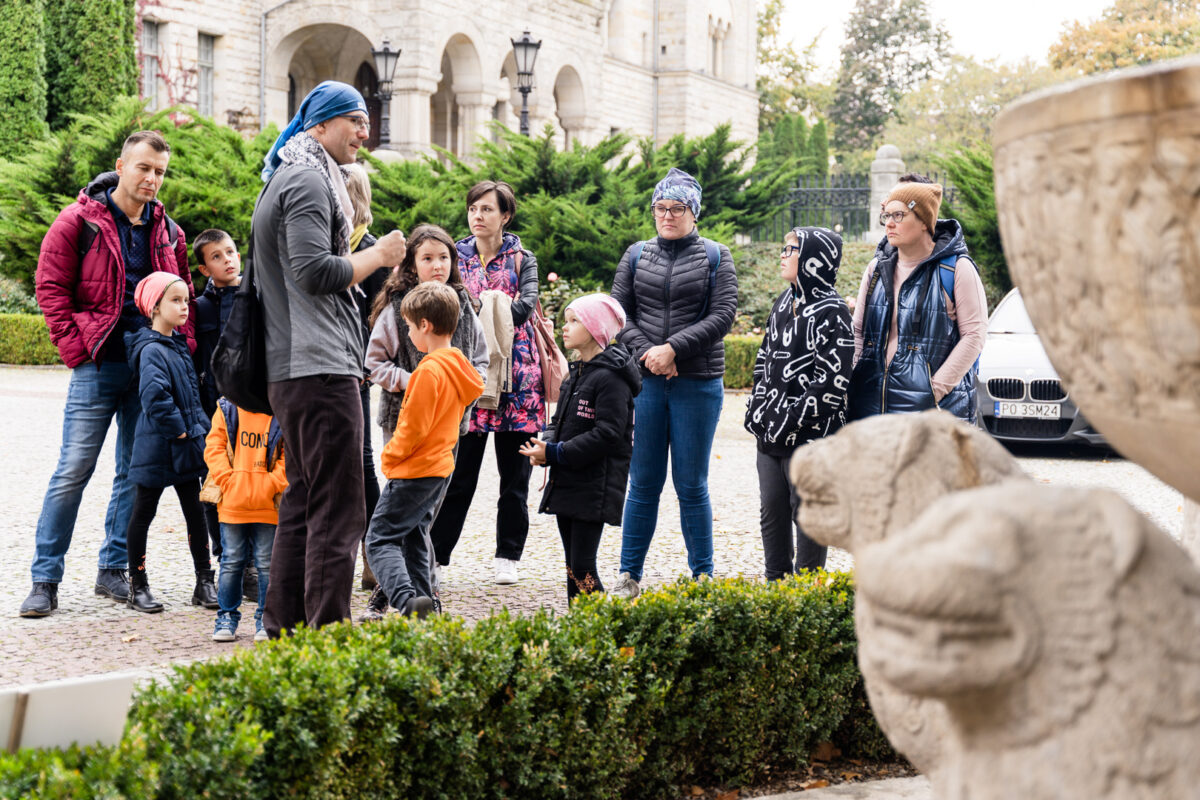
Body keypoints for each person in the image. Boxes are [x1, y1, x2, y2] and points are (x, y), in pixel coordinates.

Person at [253, 80, 407, 636]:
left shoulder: (288, 177)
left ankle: (286, 626)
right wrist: (379, 255)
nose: (365, 133)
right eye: (354, 121)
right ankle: (328, 633)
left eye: (368, 122)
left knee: (304, 500)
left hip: (299, 367)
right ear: (318, 125)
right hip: (318, 367)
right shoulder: (308, 181)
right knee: (341, 507)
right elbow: (315, 271)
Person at [22, 130, 193, 618]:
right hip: (97, 365)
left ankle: (113, 570)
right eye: (143, 168)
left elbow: (182, 299)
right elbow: (50, 287)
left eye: (160, 171)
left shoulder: (169, 232)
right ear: (121, 165)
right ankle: (44, 578)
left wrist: (180, 352)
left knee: (132, 473)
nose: (151, 179)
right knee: (73, 469)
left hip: (149, 368)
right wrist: (76, 350)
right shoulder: (79, 221)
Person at [608, 167, 737, 599]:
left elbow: (723, 315)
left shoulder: (716, 256)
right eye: (660, 208)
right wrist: (651, 354)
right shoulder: (636, 254)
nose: (666, 216)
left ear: (693, 213)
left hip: (697, 382)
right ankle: (629, 575)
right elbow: (616, 313)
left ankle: (703, 575)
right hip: (643, 382)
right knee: (642, 482)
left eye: (676, 209)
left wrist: (674, 350)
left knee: (691, 483)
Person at [362, 223, 488, 617]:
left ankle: (403, 598)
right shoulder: (453, 364)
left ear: (425, 326)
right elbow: (376, 362)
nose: (437, 265)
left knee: (379, 538)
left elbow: (412, 428)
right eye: (427, 258)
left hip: (415, 464)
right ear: (412, 264)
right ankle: (428, 603)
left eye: (444, 257)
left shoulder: (431, 370)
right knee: (416, 532)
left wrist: (390, 460)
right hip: (440, 460)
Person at [428, 181, 543, 586]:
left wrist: (481, 306)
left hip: (519, 379)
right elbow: (440, 298)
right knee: (458, 475)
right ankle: (437, 557)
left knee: (515, 478)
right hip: (469, 375)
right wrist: (487, 307)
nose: (478, 216)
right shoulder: (454, 255)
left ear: (505, 216)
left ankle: (507, 555)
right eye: (473, 209)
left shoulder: (522, 258)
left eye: (487, 210)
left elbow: (526, 306)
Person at [744, 227, 854, 578]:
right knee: (771, 515)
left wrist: (788, 421)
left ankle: (804, 593)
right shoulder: (783, 301)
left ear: (813, 260)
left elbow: (831, 384)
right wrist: (758, 410)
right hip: (770, 438)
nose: (782, 254)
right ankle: (776, 590)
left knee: (806, 516)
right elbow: (764, 359)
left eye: (790, 249)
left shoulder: (834, 311)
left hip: (811, 439)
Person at [520, 294, 640, 602]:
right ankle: (582, 631)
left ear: (596, 328)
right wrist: (545, 444)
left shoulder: (611, 379)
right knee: (572, 567)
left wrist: (556, 453)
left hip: (594, 485)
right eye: (567, 319)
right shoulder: (576, 372)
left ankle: (604, 629)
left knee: (583, 566)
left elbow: (609, 434)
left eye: (575, 321)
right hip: (568, 481)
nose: (565, 327)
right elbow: (557, 420)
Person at [848, 175, 987, 422]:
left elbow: (974, 335)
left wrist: (933, 391)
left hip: (933, 414)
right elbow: (858, 330)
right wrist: (853, 377)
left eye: (898, 216)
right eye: (886, 216)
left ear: (924, 221)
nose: (889, 224)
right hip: (870, 407)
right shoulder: (876, 268)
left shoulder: (956, 269)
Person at [122, 273, 216, 613]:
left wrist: (197, 432)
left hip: (186, 448)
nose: (184, 307)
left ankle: (205, 581)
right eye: (175, 301)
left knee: (197, 514)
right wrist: (180, 431)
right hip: (159, 448)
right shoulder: (151, 349)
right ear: (154, 307)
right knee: (143, 513)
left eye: (186, 301)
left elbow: (191, 396)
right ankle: (138, 585)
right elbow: (155, 397)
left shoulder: (176, 346)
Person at [203, 397, 286, 642]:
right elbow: (214, 447)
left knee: (266, 565)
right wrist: (229, 481)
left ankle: (265, 618)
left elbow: (288, 455)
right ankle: (226, 617)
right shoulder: (227, 408)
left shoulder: (279, 409)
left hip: (268, 505)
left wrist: (270, 484)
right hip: (232, 503)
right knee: (231, 562)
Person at [344, 162, 389, 593]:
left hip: (355, 371)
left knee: (361, 461)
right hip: (318, 364)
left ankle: (373, 555)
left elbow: (378, 319)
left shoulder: (374, 253)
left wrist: (365, 366)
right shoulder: (326, 246)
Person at [191, 228, 243, 586]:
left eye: (230, 252)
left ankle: (252, 556)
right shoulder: (198, 308)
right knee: (214, 483)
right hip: (214, 412)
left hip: (254, 407)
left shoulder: (256, 296)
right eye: (217, 257)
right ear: (205, 269)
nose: (227, 260)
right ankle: (224, 555)